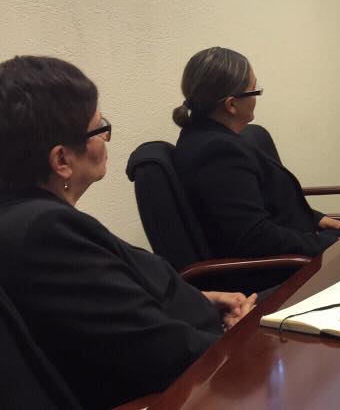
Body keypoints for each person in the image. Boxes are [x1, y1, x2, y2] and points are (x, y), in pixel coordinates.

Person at [0, 56, 256, 409]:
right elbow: (156, 352)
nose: (106, 137)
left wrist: (204, 300)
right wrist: (241, 339)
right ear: (61, 160)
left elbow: (112, 307)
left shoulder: (30, 216)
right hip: (198, 379)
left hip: (205, 323)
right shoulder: (45, 232)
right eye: (99, 128)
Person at [174, 47, 340, 259]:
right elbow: (256, 238)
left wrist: (315, 218)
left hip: (294, 242)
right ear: (231, 104)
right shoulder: (217, 154)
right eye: (254, 90)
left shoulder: (207, 136)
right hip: (281, 265)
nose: (257, 97)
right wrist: (330, 244)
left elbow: (261, 202)